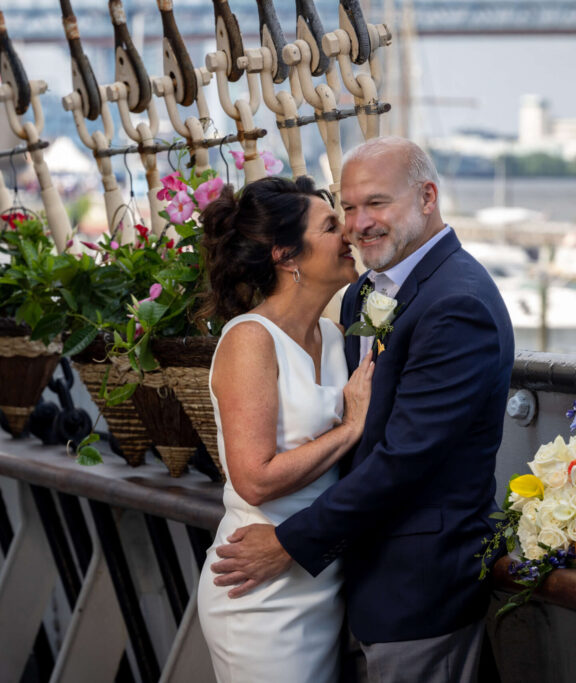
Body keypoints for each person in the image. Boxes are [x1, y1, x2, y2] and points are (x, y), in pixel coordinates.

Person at [209, 137, 515, 683]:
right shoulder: (358, 298)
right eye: (345, 210)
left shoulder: (457, 302)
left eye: (376, 203)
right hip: (330, 576)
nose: (357, 224)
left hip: (414, 583)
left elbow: (405, 458)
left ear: (427, 196)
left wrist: (289, 543)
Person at [195, 175, 376, 682]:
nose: (349, 235)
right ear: (286, 255)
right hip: (258, 590)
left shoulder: (334, 334)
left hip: (318, 572)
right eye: (330, 226)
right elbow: (253, 478)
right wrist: (350, 427)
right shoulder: (251, 341)